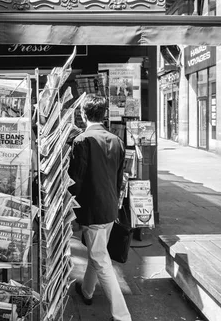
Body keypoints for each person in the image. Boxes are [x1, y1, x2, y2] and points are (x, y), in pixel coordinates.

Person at [67, 95, 132, 321]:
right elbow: (117, 179)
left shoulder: (82, 141)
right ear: (104, 115)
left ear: (83, 115)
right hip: (109, 209)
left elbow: (76, 181)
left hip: (91, 211)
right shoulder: (117, 141)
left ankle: (122, 315)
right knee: (98, 252)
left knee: (101, 260)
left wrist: (70, 212)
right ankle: (87, 290)